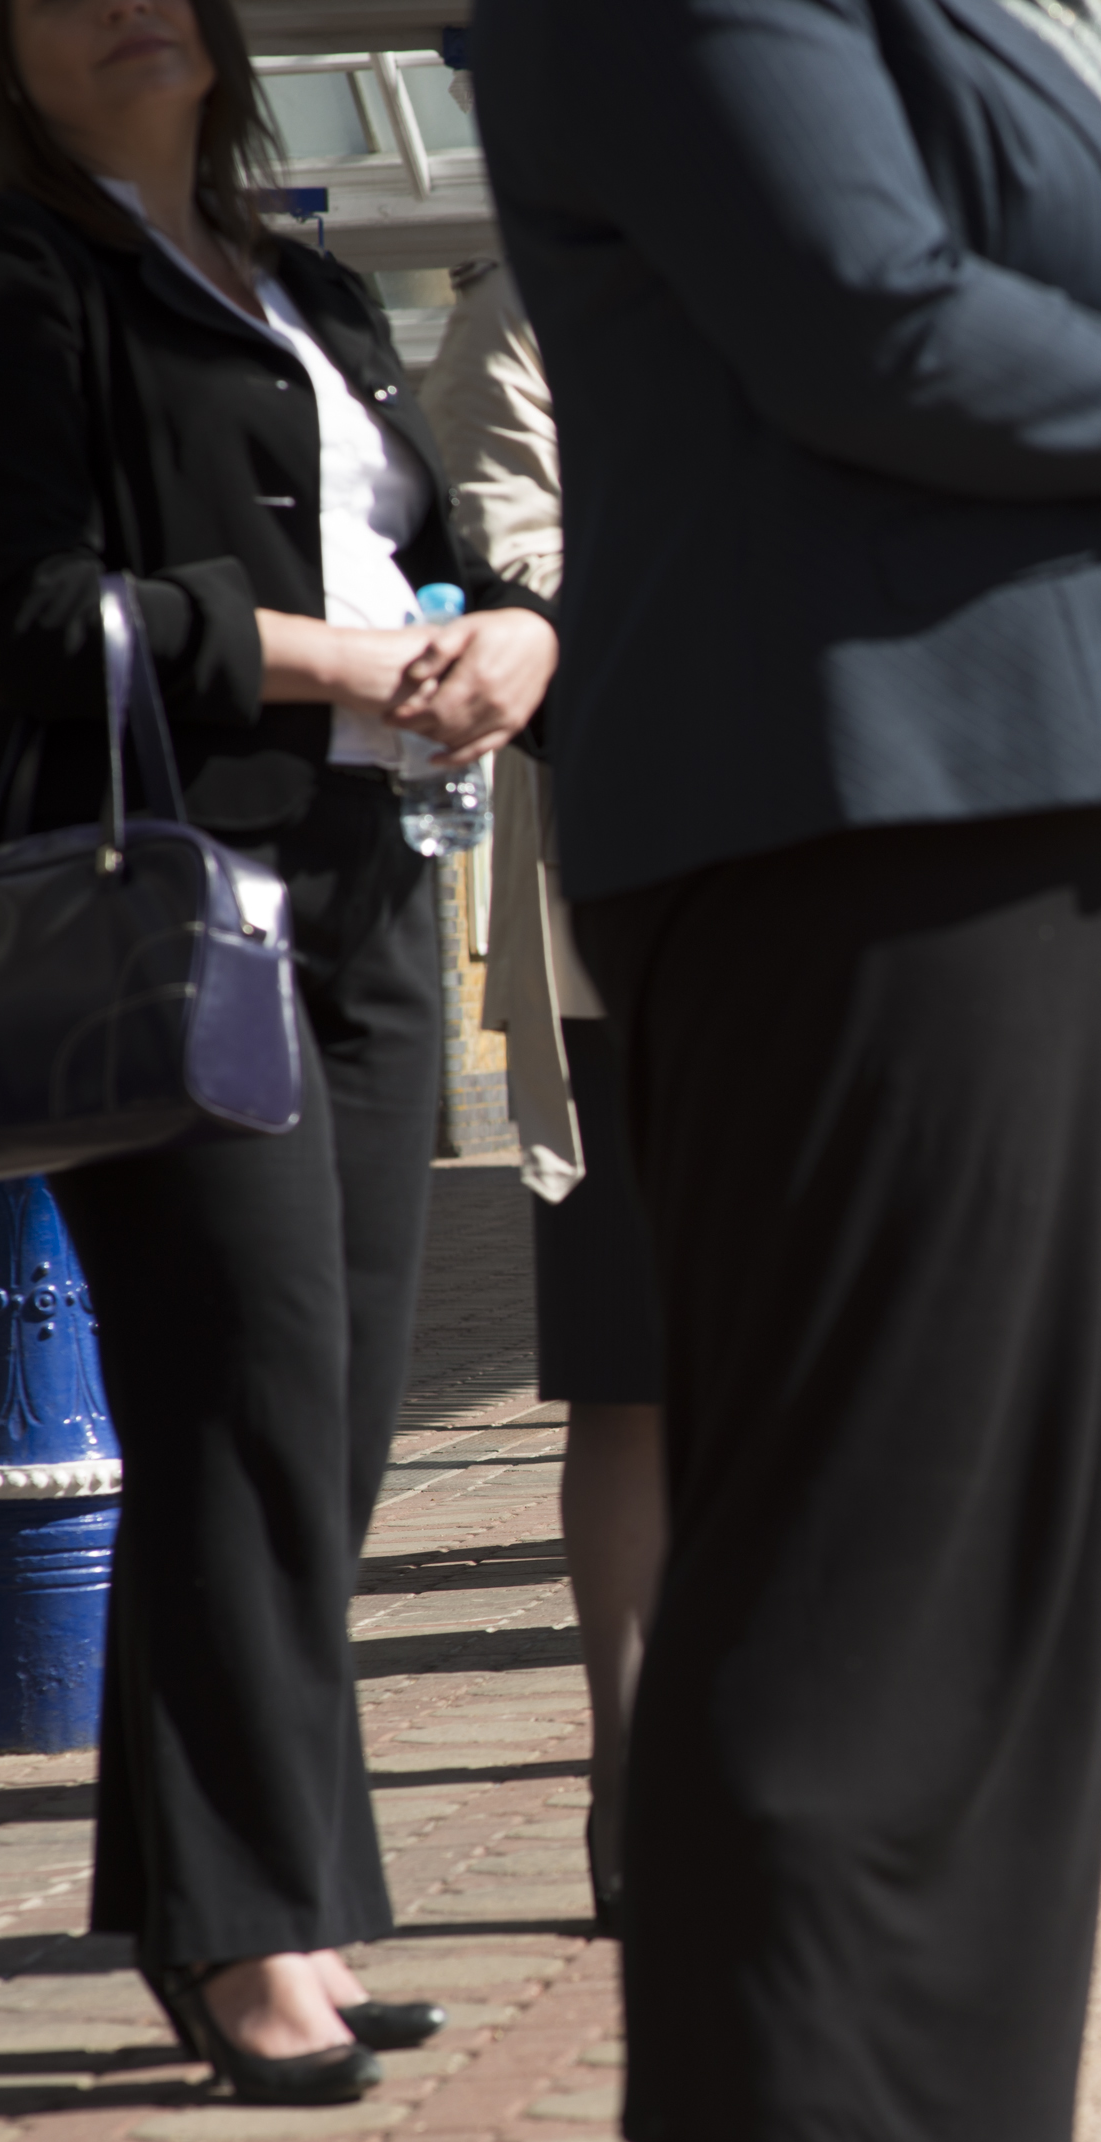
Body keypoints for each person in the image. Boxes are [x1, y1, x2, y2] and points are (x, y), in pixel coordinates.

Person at [474, 1, 1101, 2142]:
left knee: (1021, 1536)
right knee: (862, 1530)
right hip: (853, 811)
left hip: (1033, 795)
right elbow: (868, 323)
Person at [0, 0, 558, 2104]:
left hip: (361, 893)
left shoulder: (315, 283)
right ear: (3, 48)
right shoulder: (9, 283)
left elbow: (436, 536)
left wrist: (513, 634)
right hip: (166, 905)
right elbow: (25, 609)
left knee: (322, 1423)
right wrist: (334, 655)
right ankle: (253, 1937)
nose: (130, 3)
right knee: (251, 1403)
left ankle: (231, 1906)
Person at [423, 259, 663, 1933]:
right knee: (636, 1369)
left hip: (863, 918)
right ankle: (638, 1775)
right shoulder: (528, 308)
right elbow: (517, 567)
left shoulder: (857, 253)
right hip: (627, 921)